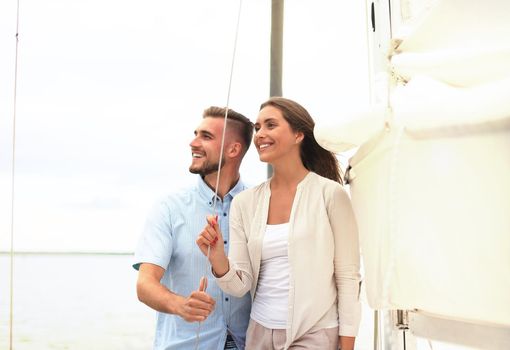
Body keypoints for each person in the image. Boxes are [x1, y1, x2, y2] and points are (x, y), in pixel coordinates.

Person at [197, 97, 361, 349]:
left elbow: (348, 278)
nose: (260, 134)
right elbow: (240, 286)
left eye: (270, 125)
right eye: (258, 127)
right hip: (259, 335)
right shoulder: (245, 202)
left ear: (298, 135)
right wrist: (217, 257)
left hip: (314, 334)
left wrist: (347, 346)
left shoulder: (330, 195)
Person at [133, 106, 254, 350]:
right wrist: (180, 305)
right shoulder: (169, 207)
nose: (193, 143)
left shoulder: (259, 205)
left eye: (206, 137)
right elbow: (144, 284)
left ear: (233, 149)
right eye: (196, 134)